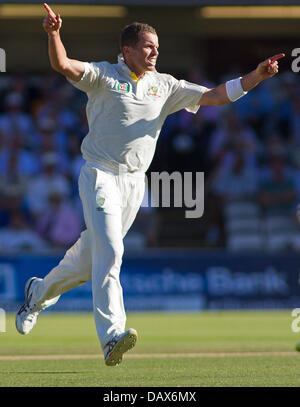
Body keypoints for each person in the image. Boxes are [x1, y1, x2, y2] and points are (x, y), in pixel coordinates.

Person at [15, 2, 285, 366]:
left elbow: (214, 96)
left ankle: (38, 293)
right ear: (127, 50)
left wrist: (256, 77)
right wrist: (53, 34)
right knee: (111, 252)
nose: (155, 51)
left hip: (133, 184)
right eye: (148, 46)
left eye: (157, 46)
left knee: (86, 262)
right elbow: (62, 65)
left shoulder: (165, 85)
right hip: (100, 174)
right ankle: (112, 337)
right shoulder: (104, 75)